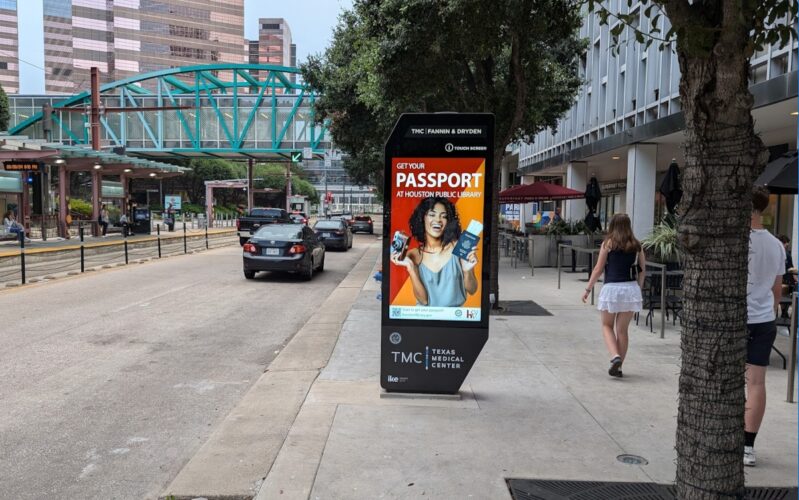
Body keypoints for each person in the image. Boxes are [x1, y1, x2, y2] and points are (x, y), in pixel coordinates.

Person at [743, 187, 786, 467]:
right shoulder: (777, 244)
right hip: (764, 320)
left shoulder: (736, 242)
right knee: (757, 383)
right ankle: (748, 447)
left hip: (735, 319)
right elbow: (777, 289)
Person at [582, 213, 645, 378]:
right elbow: (642, 271)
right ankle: (619, 367)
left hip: (612, 288)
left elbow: (598, 269)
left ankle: (614, 356)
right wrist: (639, 289)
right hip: (630, 289)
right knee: (622, 331)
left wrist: (588, 289)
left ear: (612, 226)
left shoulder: (608, 244)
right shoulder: (637, 246)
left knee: (606, 326)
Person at [390, 196, 478, 307]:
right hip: (423, 318)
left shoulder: (458, 247)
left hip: (454, 318)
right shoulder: (414, 255)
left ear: (449, 221)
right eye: (432, 215)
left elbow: (472, 290)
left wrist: (467, 271)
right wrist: (412, 268)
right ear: (423, 218)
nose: (438, 220)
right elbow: (423, 301)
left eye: (444, 216)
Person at [777, 234, 796, 318]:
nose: (787, 246)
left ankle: (783, 313)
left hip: (779, 279)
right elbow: (790, 268)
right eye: (787, 243)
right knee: (785, 297)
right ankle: (784, 313)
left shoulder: (776, 252)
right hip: (785, 280)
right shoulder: (786, 254)